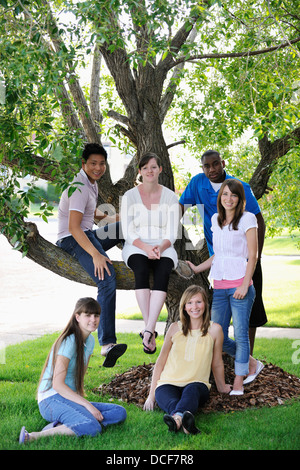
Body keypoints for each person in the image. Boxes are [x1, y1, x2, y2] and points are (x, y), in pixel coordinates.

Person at [179, 149, 267, 354]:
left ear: (223, 163)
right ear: (202, 168)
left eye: (216, 164)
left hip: (246, 258)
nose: (212, 169)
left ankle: (248, 356)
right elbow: (181, 206)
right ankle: (239, 357)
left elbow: (258, 220)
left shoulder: (240, 187)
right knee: (220, 315)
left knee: (248, 312)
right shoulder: (198, 183)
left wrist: (255, 258)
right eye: (207, 166)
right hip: (219, 260)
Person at [187, 179, 264, 395]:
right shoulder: (215, 219)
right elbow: (218, 255)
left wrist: (244, 284)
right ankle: (251, 363)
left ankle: (239, 380)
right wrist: (196, 269)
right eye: (225, 194)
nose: (228, 199)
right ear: (220, 197)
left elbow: (253, 256)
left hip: (240, 286)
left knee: (241, 334)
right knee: (214, 334)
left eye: (233, 195)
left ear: (240, 199)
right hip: (219, 286)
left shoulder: (248, 219)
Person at [19, 297, 127, 444]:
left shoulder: (90, 341)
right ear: (77, 317)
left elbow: (79, 377)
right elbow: (57, 385)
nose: (93, 319)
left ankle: (68, 424)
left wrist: (81, 403)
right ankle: (35, 436)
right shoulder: (69, 341)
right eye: (87, 315)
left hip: (68, 398)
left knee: (119, 412)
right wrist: (87, 405)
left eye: (96, 315)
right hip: (51, 400)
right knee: (94, 427)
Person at [56, 143, 127, 367]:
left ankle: (136, 256)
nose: (98, 167)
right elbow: (75, 227)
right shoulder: (79, 188)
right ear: (84, 164)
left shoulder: (91, 184)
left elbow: (90, 213)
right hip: (72, 240)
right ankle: (107, 345)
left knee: (126, 226)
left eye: (102, 163)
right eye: (93, 163)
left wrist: (116, 220)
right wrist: (96, 255)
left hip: (86, 233)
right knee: (107, 278)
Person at [143, 285, 231, 434]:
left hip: (197, 384)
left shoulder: (215, 330)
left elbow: (216, 362)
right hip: (168, 383)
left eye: (198, 302)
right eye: (189, 303)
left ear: (205, 304)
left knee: (192, 391)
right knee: (171, 401)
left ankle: (176, 419)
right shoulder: (174, 328)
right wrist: (151, 395)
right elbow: (160, 362)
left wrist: (221, 387)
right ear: (184, 306)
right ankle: (182, 423)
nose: (194, 307)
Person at [120, 152, 180, 354]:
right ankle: (150, 329)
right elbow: (127, 231)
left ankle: (147, 331)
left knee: (163, 271)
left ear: (160, 169)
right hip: (136, 246)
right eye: (145, 168)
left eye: (153, 167)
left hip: (164, 247)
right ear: (140, 171)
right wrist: (146, 248)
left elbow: (173, 231)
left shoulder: (171, 197)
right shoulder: (129, 196)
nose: (150, 171)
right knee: (141, 269)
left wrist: (160, 248)